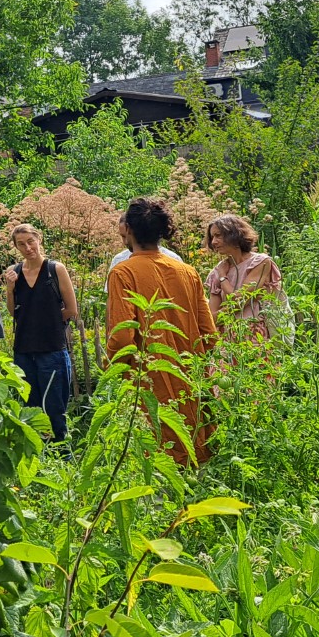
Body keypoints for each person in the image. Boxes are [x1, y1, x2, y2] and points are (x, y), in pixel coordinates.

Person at [105, 198, 218, 465]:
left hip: (148, 376)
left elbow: (122, 337)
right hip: (190, 374)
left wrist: (113, 366)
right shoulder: (188, 272)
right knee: (195, 445)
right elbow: (209, 333)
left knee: (156, 453)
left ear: (129, 230)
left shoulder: (122, 273)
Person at [3, 224, 80, 442]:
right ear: (16, 247)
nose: (27, 247)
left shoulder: (55, 269)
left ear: (39, 240)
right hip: (24, 350)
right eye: (21, 244)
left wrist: (49, 323)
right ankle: (38, 451)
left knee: (55, 405)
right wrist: (9, 289)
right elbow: (13, 312)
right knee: (31, 407)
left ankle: (62, 453)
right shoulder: (15, 273)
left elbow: (71, 310)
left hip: (52, 349)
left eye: (30, 241)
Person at [204, 214, 288, 341]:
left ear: (234, 235)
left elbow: (240, 300)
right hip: (227, 339)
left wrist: (223, 277)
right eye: (212, 237)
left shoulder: (260, 262)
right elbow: (211, 318)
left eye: (218, 236)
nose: (213, 242)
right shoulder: (215, 272)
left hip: (254, 334)